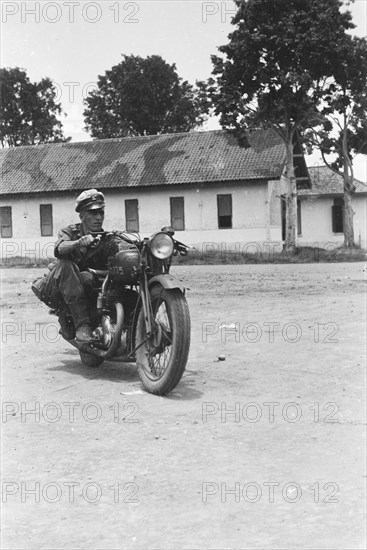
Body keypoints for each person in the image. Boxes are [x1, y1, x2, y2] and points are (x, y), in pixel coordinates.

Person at [34, 189, 119, 342]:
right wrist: (79, 243)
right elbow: (60, 248)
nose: (98, 217)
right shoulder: (70, 232)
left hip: (81, 290)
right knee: (67, 266)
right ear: (82, 216)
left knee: (91, 278)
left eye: (101, 213)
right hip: (54, 289)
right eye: (93, 213)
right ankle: (80, 325)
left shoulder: (107, 240)